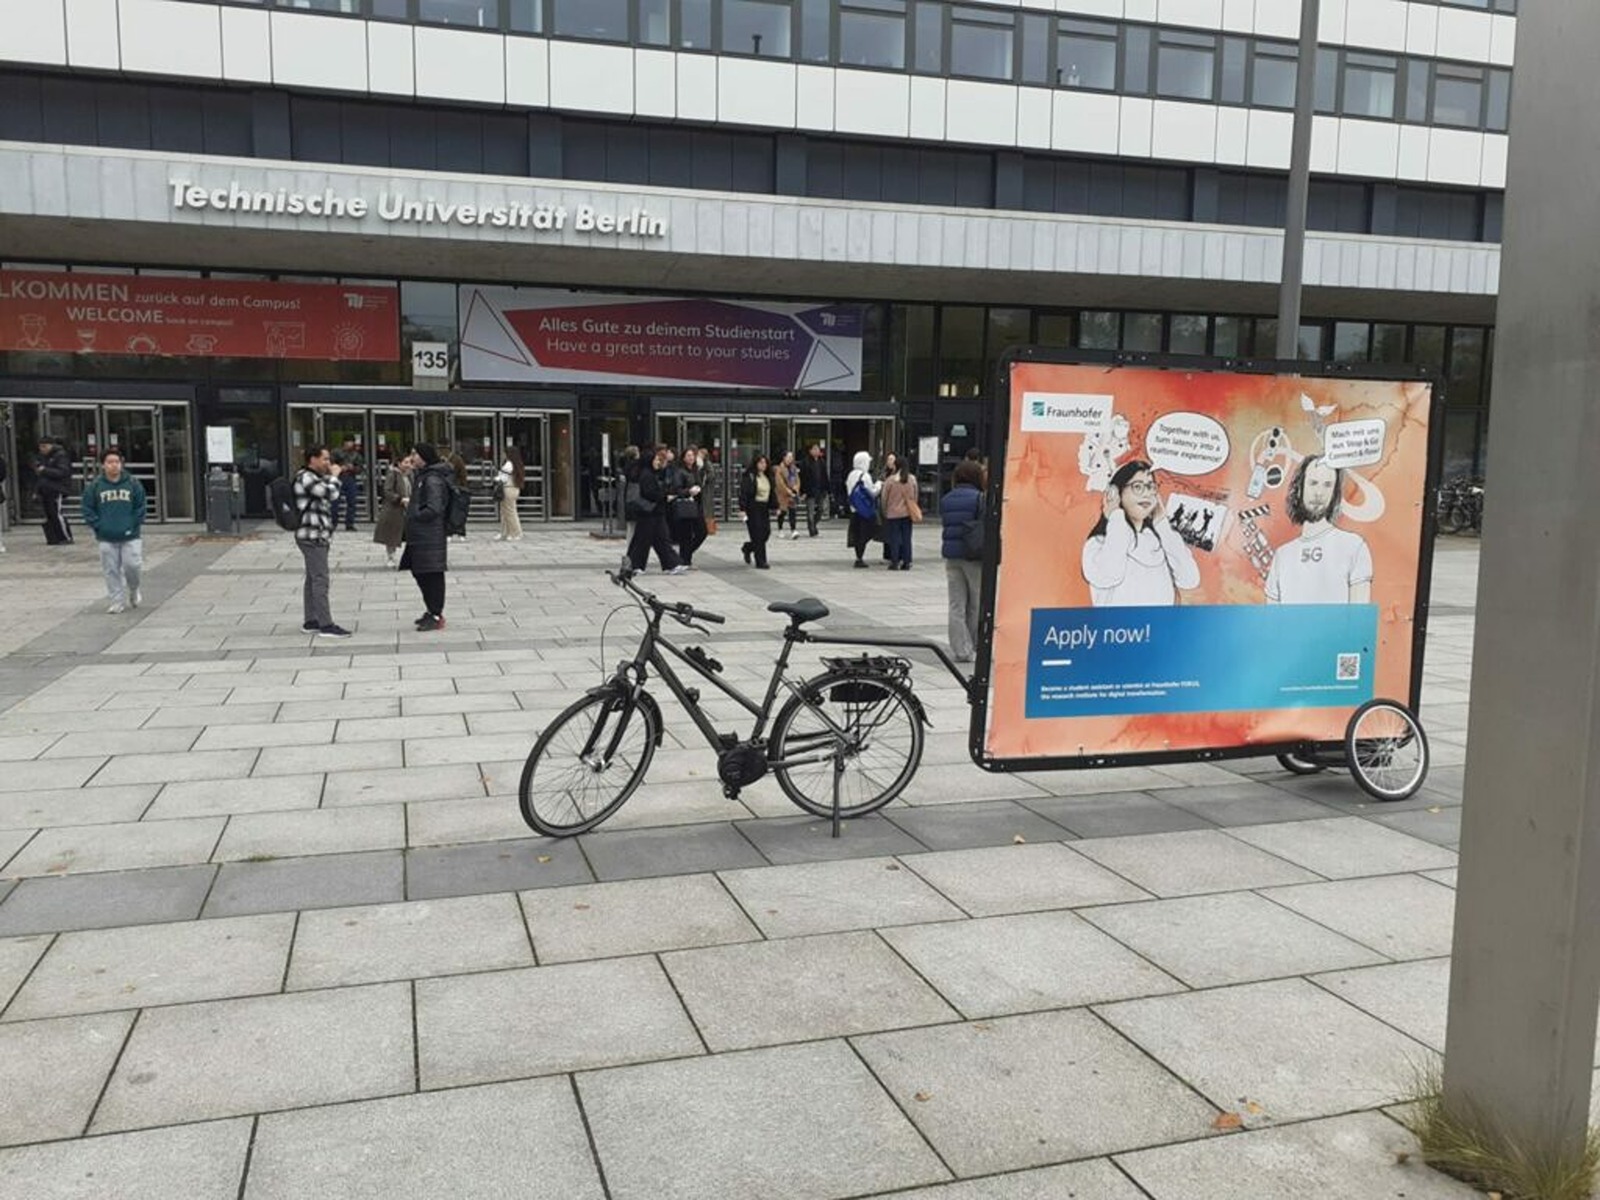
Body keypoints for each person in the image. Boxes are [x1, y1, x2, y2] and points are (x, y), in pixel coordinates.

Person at [1082, 459, 1199, 606]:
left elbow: (1190, 579)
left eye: (1151, 487)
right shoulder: (1099, 543)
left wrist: (1162, 525)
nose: (1147, 494)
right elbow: (1109, 575)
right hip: (1120, 629)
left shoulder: (1160, 542)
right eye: (1137, 487)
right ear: (1116, 493)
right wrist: (1116, 515)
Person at [1266, 454, 1373, 604]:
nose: (1319, 493)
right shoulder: (1282, 556)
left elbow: (1359, 619)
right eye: (1313, 483)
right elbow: (1273, 622)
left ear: (1334, 493)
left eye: (1327, 485)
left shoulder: (1354, 546)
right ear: (1300, 488)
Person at [293, 444, 351, 638]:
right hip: (312, 535)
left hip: (317, 534)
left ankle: (311, 620)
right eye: (325, 459)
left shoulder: (314, 477)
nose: (328, 463)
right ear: (313, 459)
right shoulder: (306, 477)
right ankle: (326, 624)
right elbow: (331, 493)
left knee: (312, 579)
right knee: (321, 579)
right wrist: (335, 476)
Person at [81, 450, 146, 614]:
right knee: (111, 569)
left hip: (130, 534)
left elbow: (141, 506)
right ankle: (116, 601)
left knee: (132, 565)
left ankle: (134, 588)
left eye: (116, 461)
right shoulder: (95, 486)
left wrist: (134, 523)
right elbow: (88, 508)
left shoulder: (132, 483)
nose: (113, 465)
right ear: (103, 465)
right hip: (106, 536)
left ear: (121, 463)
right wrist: (98, 525)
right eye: (109, 462)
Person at [402, 444, 454, 630]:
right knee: (420, 572)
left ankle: (436, 613)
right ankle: (431, 610)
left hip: (429, 535)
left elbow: (434, 508)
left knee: (431, 574)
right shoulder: (423, 475)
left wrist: (413, 512)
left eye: (415, 454)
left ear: (424, 457)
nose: (412, 457)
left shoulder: (432, 478)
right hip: (421, 535)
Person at [940, 459, 985, 662]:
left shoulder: (947, 499)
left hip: (952, 556)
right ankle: (975, 645)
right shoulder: (979, 498)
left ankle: (961, 649)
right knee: (976, 603)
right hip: (974, 556)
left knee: (956, 604)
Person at [625, 445, 685, 574]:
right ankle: (635, 565)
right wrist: (665, 497)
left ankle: (671, 564)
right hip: (648, 512)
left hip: (654, 512)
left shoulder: (650, 473)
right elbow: (649, 493)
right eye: (656, 460)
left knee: (661, 539)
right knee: (643, 540)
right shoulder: (646, 475)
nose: (658, 462)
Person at [671, 447, 709, 567]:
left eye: (693, 455)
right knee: (685, 534)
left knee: (702, 532)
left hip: (696, 505)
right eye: (688, 455)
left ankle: (685, 555)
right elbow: (676, 490)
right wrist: (689, 491)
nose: (691, 458)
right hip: (685, 505)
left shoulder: (695, 470)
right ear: (683, 458)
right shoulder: (679, 471)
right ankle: (685, 560)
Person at [880, 458, 919, 570]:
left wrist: (884, 510)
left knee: (894, 538)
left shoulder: (890, 481)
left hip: (893, 513)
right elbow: (915, 497)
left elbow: (884, 498)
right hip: (907, 513)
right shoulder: (912, 479)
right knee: (907, 538)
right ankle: (907, 561)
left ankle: (894, 561)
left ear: (896, 466)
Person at [844, 451, 881, 569]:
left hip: (854, 509)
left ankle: (858, 557)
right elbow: (872, 493)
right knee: (866, 532)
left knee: (856, 533)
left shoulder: (851, 475)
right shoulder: (865, 476)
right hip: (864, 510)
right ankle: (860, 557)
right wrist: (879, 485)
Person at [738, 453, 776, 569]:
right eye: (761, 462)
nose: (763, 465)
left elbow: (772, 493)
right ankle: (761, 561)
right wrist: (742, 509)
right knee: (757, 535)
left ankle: (748, 547)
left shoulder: (767, 476)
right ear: (755, 463)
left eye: (765, 463)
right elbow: (744, 493)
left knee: (766, 533)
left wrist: (776, 506)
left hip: (763, 508)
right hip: (752, 507)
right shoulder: (750, 476)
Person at [373, 455, 411, 567]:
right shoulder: (393, 474)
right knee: (391, 535)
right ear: (399, 463)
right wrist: (399, 499)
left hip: (407, 509)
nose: (408, 465)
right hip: (394, 510)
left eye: (409, 462)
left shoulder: (410, 475)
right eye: (406, 462)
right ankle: (391, 557)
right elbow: (387, 491)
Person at [34, 438, 73, 545]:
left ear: (51, 445)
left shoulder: (60, 456)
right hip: (45, 488)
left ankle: (65, 537)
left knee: (57, 513)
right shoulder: (42, 457)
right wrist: (37, 490)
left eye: (44, 446)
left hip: (56, 488)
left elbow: (63, 472)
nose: (42, 449)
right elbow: (40, 475)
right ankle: (54, 537)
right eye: (40, 447)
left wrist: (45, 470)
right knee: (49, 514)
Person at [494, 447, 525, 541]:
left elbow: (503, 478)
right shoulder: (517, 464)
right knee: (506, 512)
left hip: (508, 489)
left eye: (505, 453)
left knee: (510, 512)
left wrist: (496, 479)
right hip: (514, 489)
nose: (503, 455)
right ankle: (506, 532)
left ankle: (515, 533)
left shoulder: (508, 464)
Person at [333, 438, 362, 531]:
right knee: (335, 501)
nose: (350, 444)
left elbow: (360, 468)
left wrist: (352, 468)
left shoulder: (356, 455)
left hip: (350, 478)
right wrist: (339, 468)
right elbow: (330, 464)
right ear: (344, 442)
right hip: (338, 477)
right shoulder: (336, 452)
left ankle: (350, 524)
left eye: (351, 442)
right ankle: (333, 522)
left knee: (352, 501)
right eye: (348, 442)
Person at [802, 442, 829, 537]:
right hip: (810, 490)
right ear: (810, 451)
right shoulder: (805, 462)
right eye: (814, 449)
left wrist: (827, 489)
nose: (817, 451)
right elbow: (803, 478)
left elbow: (825, 476)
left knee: (821, 509)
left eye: (818, 449)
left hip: (820, 490)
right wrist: (803, 491)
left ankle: (814, 525)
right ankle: (812, 530)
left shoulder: (822, 462)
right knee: (810, 511)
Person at [773, 450, 801, 539]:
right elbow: (779, 483)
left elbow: (797, 479)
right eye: (788, 457)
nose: (790, 459)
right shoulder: (779, 469)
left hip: (792, 493)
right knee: (782, 512)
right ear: (784, 458)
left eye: (791, 457)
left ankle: (793, 530)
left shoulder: (793, 468)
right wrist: (788, 491)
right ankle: (780, 529)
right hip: (783, 494)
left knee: (793, 512)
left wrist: (796, 487)